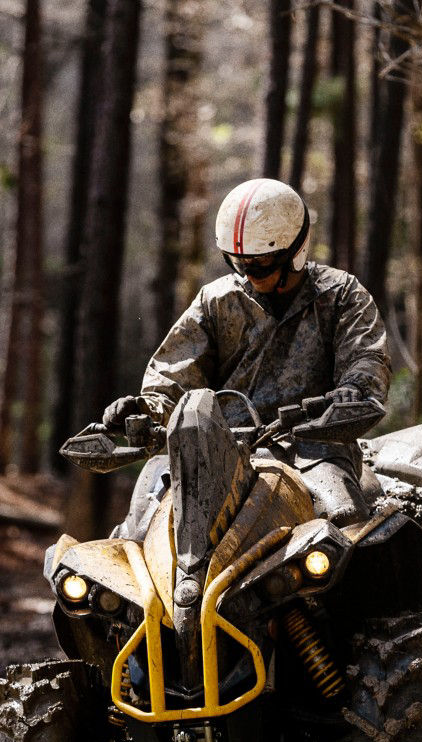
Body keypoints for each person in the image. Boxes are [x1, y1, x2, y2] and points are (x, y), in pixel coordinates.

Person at [101, 178, 390, 526]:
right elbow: (173, 379)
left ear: (295, 251)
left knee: (346, 519)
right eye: (240, 263)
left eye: (261, 263)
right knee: (141, 524)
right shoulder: (215, 301)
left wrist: (353, 391)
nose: (250, 275)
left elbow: (367, 359)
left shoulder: (341, 294)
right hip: (217, 453)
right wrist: (146, 409)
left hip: (315, 449)